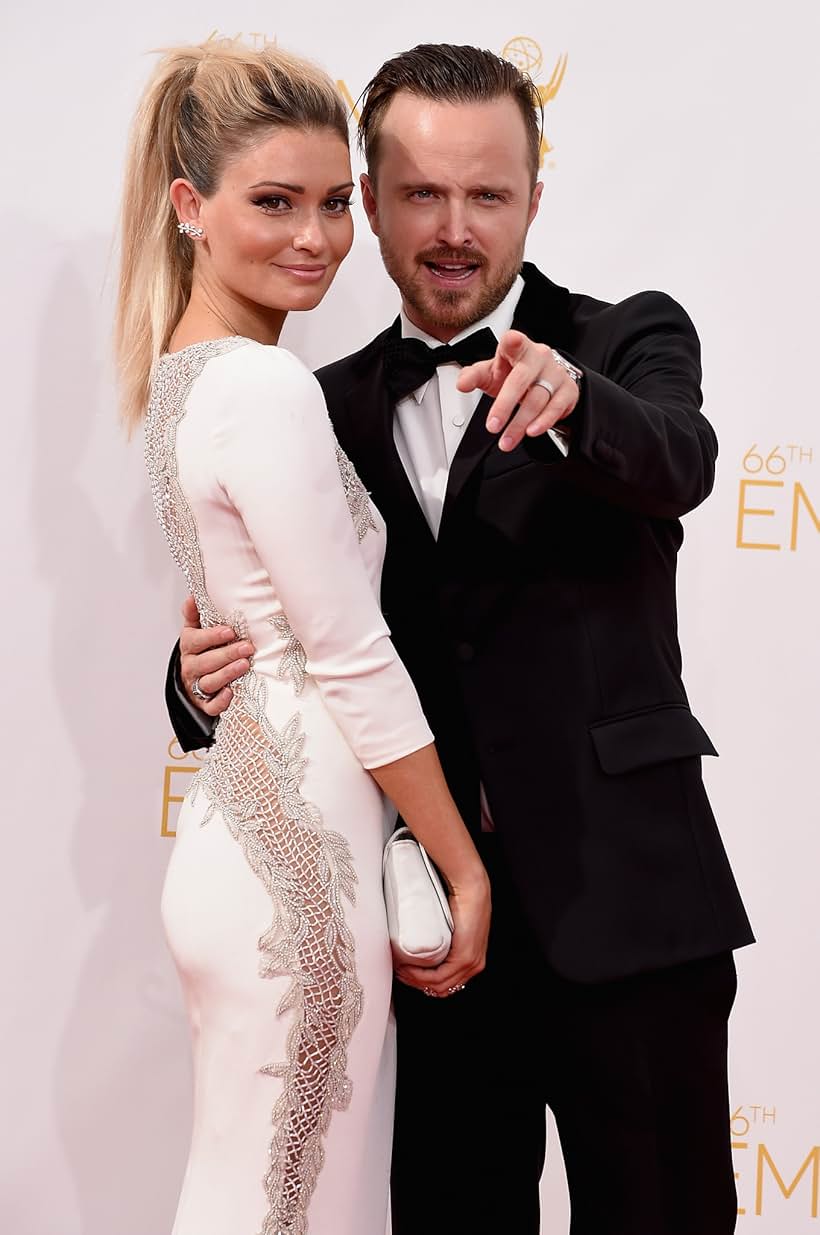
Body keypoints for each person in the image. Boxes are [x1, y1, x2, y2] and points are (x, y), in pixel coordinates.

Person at [167, 42, 754, 1235]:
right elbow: (296, 636)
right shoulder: (311, 401)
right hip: (430, 925)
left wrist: (582, 402)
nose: (452, 227)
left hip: (628, 906)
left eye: (487, 194)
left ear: (534, 199)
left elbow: (681, 461)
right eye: (420, 194)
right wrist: (191, 684)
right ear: (368, 203)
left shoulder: (624, 338)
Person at [115, 40, 490, 1235]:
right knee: (287, 1211)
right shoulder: (266, 389)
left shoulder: (183, 376)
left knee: (255, 1201)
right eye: (274, 202)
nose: (317, 238)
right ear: (191, 206)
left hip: (249, 833)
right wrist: (461, 861)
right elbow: (348, 651)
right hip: (300, 868)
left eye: (335, 202)